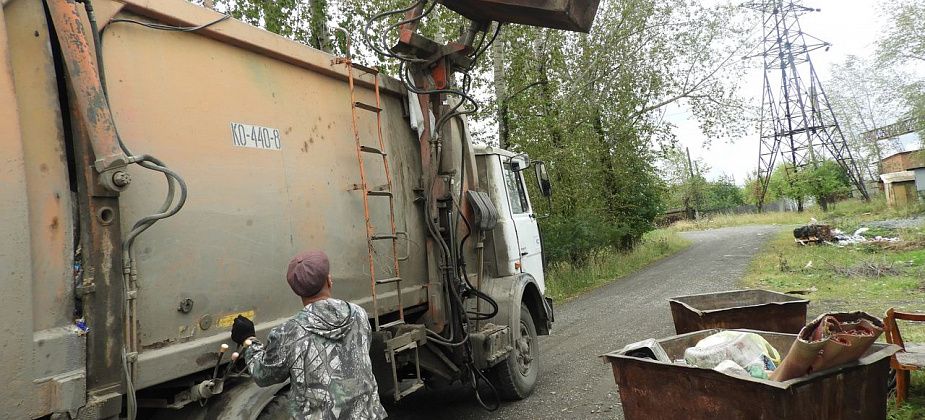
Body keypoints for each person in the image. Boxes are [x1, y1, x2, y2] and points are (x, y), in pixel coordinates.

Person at [231, 250, 387, 420]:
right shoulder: (358, 314)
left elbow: (263, 375)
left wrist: (249, 340)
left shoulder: (289, 332)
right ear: (329, 280)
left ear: (297, 291)